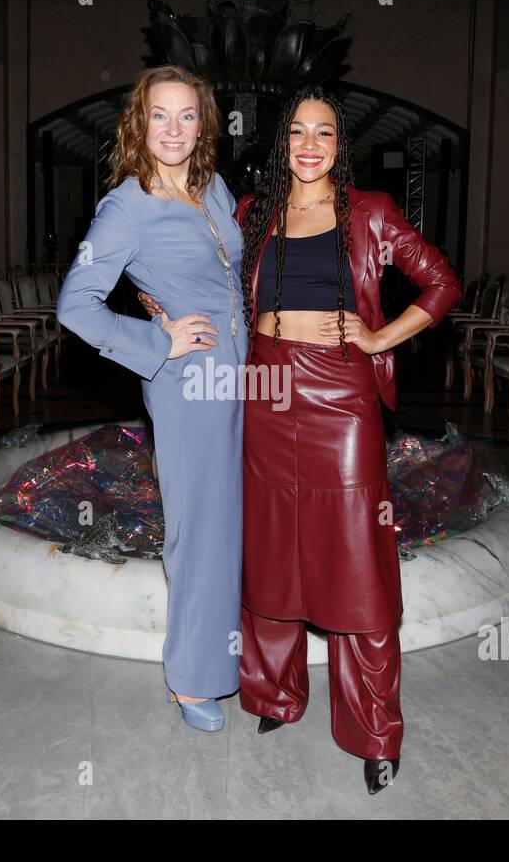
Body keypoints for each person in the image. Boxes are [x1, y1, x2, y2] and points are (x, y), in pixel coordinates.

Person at [143, 85, 460, 793]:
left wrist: (379, 336)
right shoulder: (252, 213)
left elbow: (441, 283)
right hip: (264, 389)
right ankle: (274, 695)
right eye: (296, 132)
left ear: (339, 145)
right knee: (270, 547)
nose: (309, 144)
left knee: (355, 562)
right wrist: (152, 296)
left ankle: (375, 729)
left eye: (323, 132)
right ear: (280, 144)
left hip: (342, 396)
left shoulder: (371, 212)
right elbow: (189, 253)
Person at [56, 64, 246, 732]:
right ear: (140, 123)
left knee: (233, 523)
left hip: (243, 376)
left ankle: (226, 652)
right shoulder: (125, 206)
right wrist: (157, 340)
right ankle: (192, 680)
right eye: (159, 115)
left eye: (187, 115)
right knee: (200, 529)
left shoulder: (213, 188)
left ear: (204, 124)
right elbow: (75, 305)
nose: (173, 129)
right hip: (189, 382)